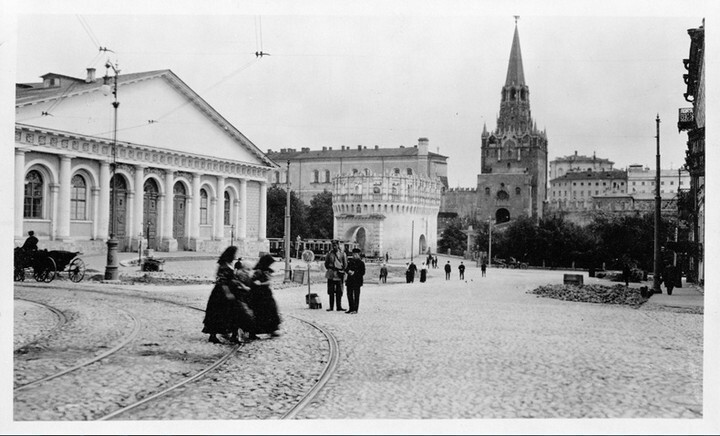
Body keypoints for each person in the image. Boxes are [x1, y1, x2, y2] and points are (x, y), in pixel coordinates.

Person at [202, 246, 249, 344]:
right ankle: (214, 335)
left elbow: (231, 279)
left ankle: (234, 334)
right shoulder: (223, 266)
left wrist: (241, 285)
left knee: (234, 313)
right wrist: (228, 293)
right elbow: (222, 281)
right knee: (219, 313)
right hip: (222, 293)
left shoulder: (228, 264)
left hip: (230, 290)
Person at [248, 254, 282, 338]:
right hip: (259, 294)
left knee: (270, 310)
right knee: (262, 311)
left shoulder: (265, 270)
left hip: (265, 293)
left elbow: (268, 281)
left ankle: (272, 329)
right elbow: (254, 282)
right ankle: (258, 331)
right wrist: (260, 283)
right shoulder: (259, 271)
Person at [324, 240, 347, 311]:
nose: (334, 246)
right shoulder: (329, 254)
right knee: (331, 291)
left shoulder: (342, 254)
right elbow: (326, 264)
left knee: (339, 291)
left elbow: (345, 264)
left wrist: (342, 271)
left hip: (339, 274)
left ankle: (339, 307)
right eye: (333, 245)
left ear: (338, 245)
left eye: (335, 245)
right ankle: (331, 307)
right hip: (331, 274)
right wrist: (330, 269)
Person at [345, 248, 366, 314]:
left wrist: (354, 273)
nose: (354, 256)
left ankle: (355, 309)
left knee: (356, 296)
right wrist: (348, 271)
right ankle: (351, 308)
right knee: (349, 295)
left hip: (357, 281)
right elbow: (346, 268)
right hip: (350, 281)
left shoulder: (361, 263)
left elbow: (362, 272)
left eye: (356, 254)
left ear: (359, 255)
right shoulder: (350, 261)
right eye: (353, 254)